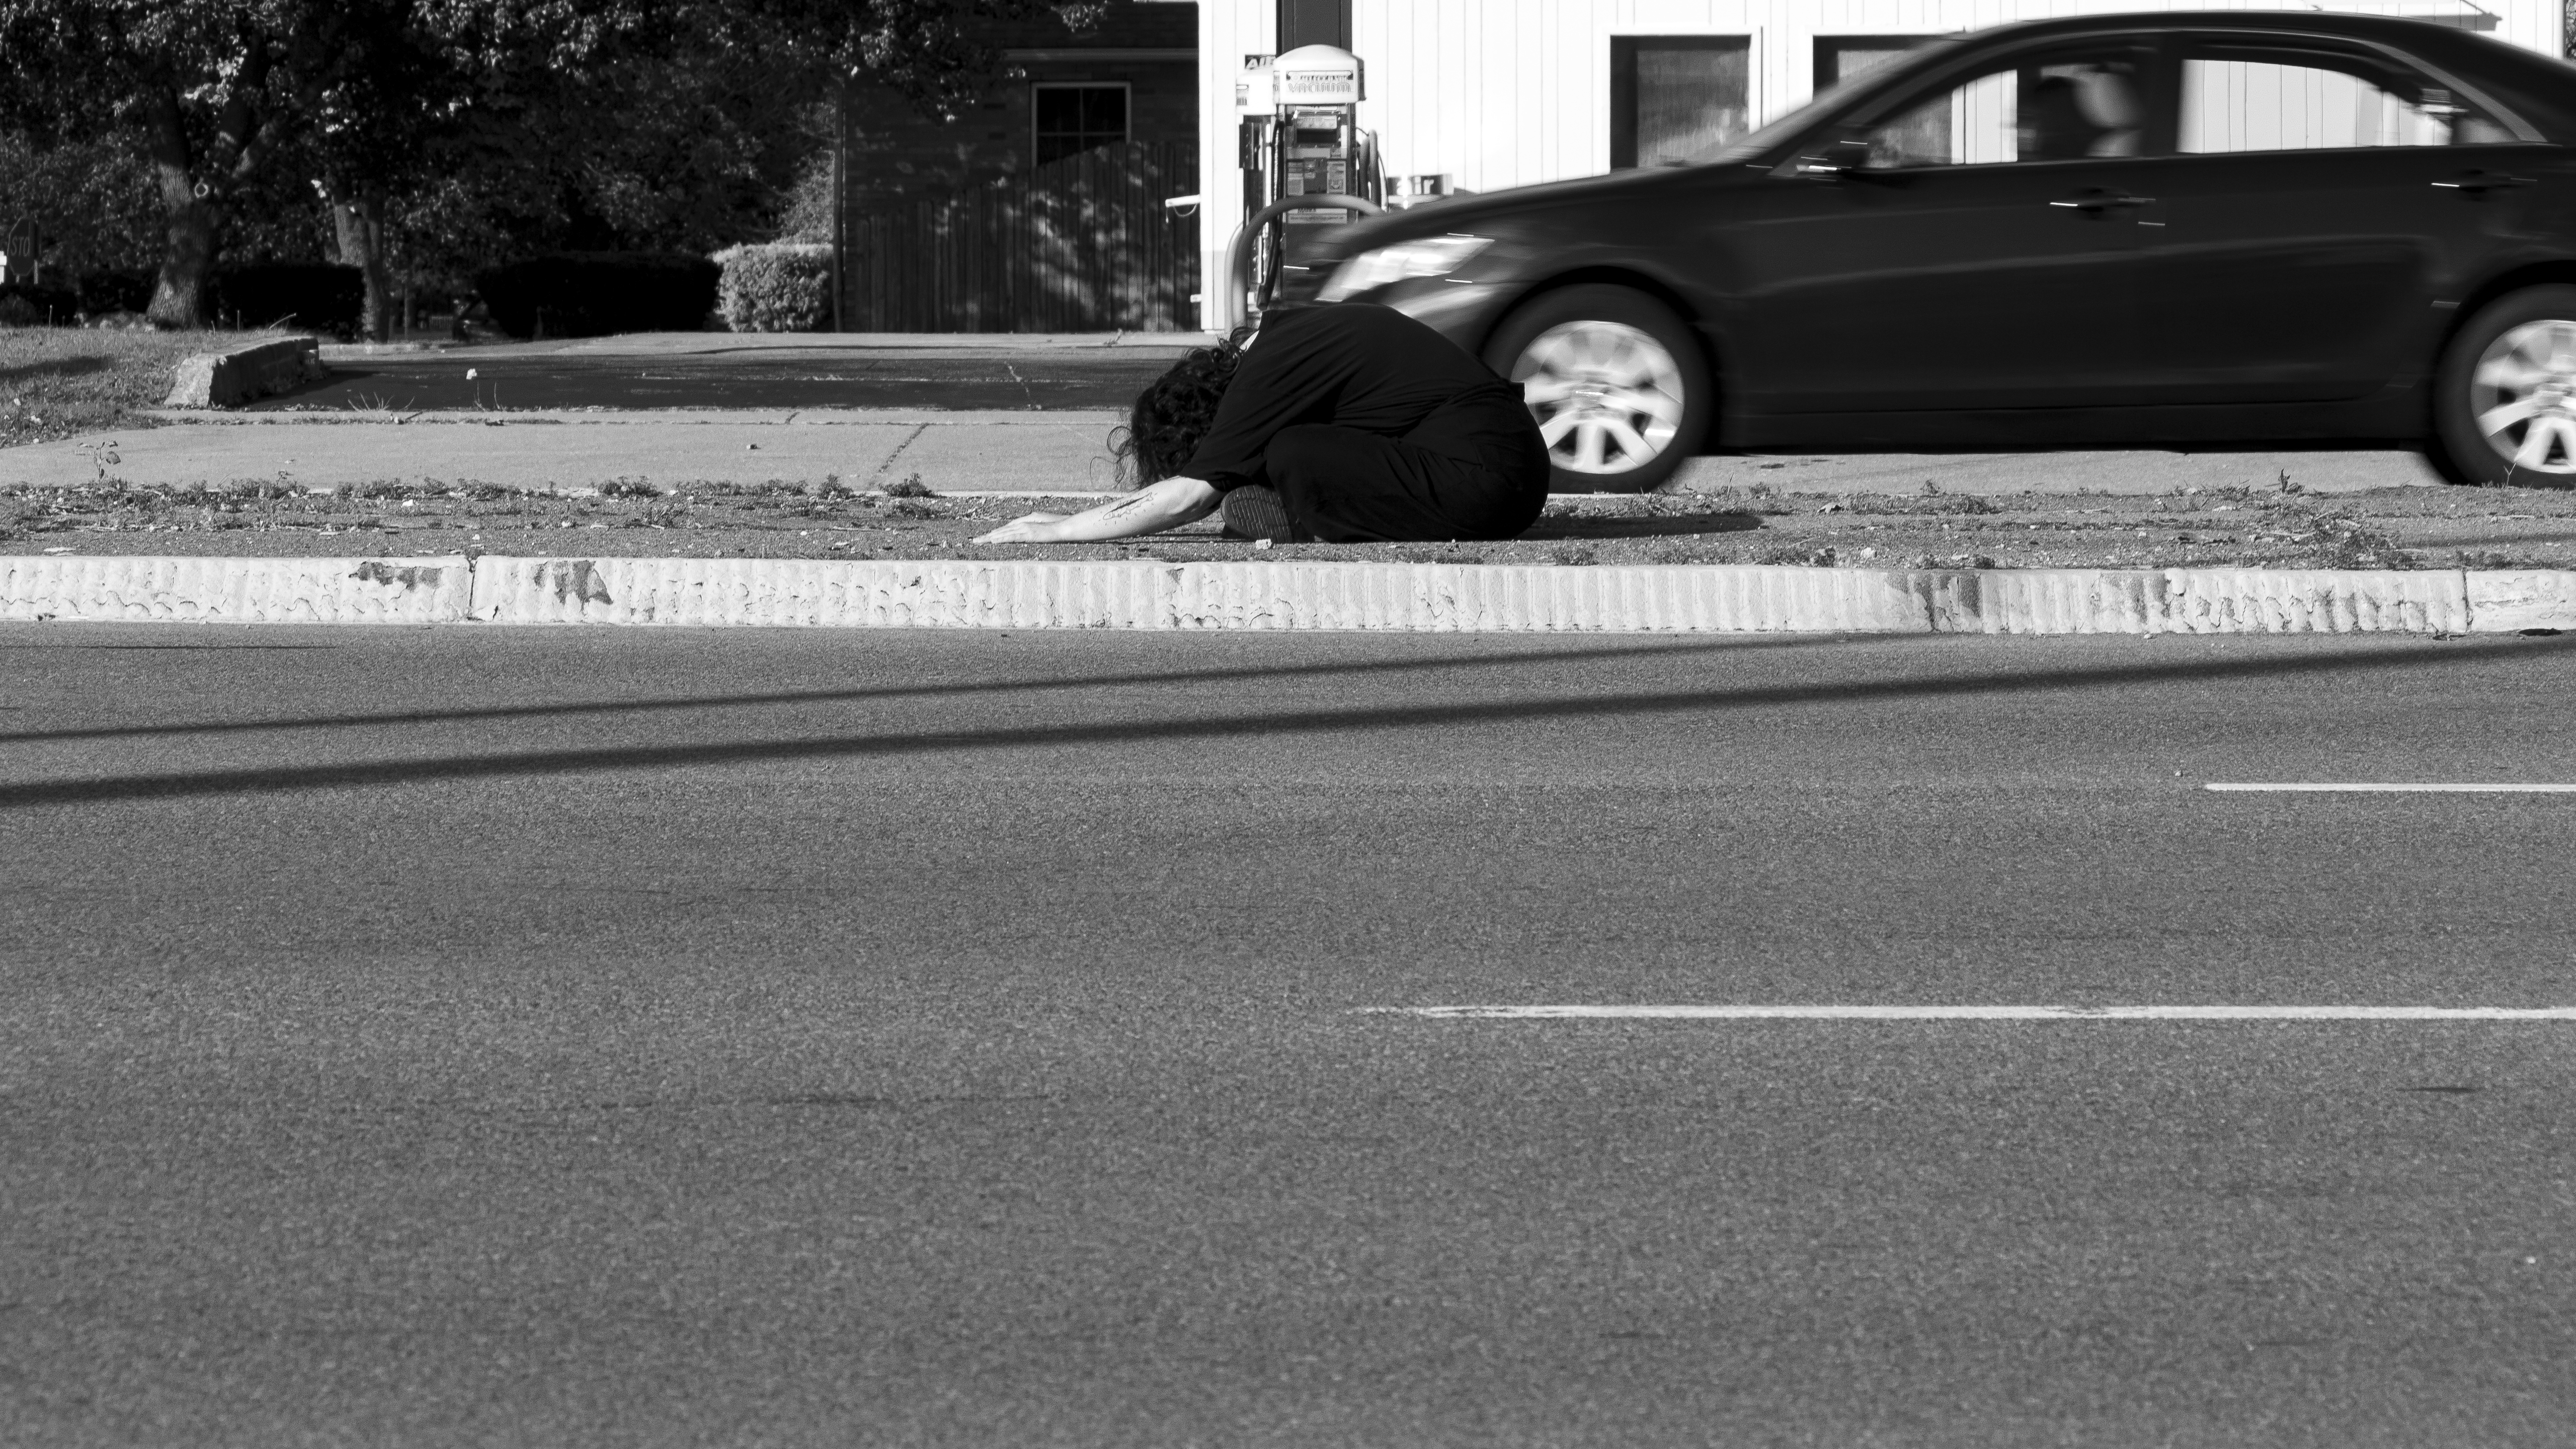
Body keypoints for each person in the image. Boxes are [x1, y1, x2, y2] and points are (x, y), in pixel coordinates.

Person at [974, 302, 1550, 546]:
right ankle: (1303, 510)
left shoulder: (1266, 378)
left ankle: (1301, 519)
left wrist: (1060, 532)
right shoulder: (1291, 338)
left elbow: (1186, 498)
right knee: (1300, 448)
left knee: (1293, 452)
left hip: (1488, 483)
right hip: (1503, 471)